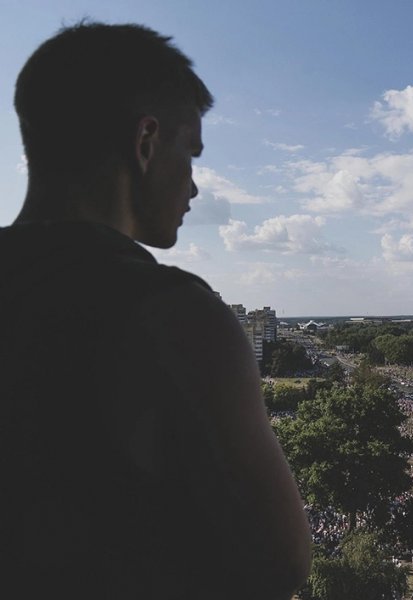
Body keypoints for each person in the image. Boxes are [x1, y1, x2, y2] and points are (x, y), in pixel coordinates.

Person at [0, 22, 311, 599]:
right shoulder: (173, 317)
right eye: (190, 154)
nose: (194, 187)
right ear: (145, 142)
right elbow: (279, 566)